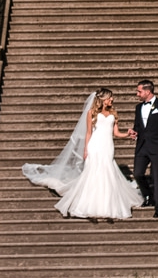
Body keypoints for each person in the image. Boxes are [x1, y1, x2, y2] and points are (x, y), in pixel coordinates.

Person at [26, 88, 139, 220]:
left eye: (111, 97)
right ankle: (91, 204)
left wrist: (128, 134)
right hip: (95, 146)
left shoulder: (113, 113)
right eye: (109, 97)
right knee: (94, 173)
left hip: (108, 146)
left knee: (107, 171)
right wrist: (86, 149)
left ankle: (107, 203)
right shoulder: (91, 113)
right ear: (102, 99)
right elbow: (89, 133)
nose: (112, 100)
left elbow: (116, 133)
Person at [128, 79, 158, 216]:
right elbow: (138, 126)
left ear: (148, 91)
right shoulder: (138, 107)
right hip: (142, 146)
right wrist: (134, 132)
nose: (137, 94)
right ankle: (148, 196)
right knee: (138, 173)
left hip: (157, 146)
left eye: (139, 91)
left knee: (157, 176)